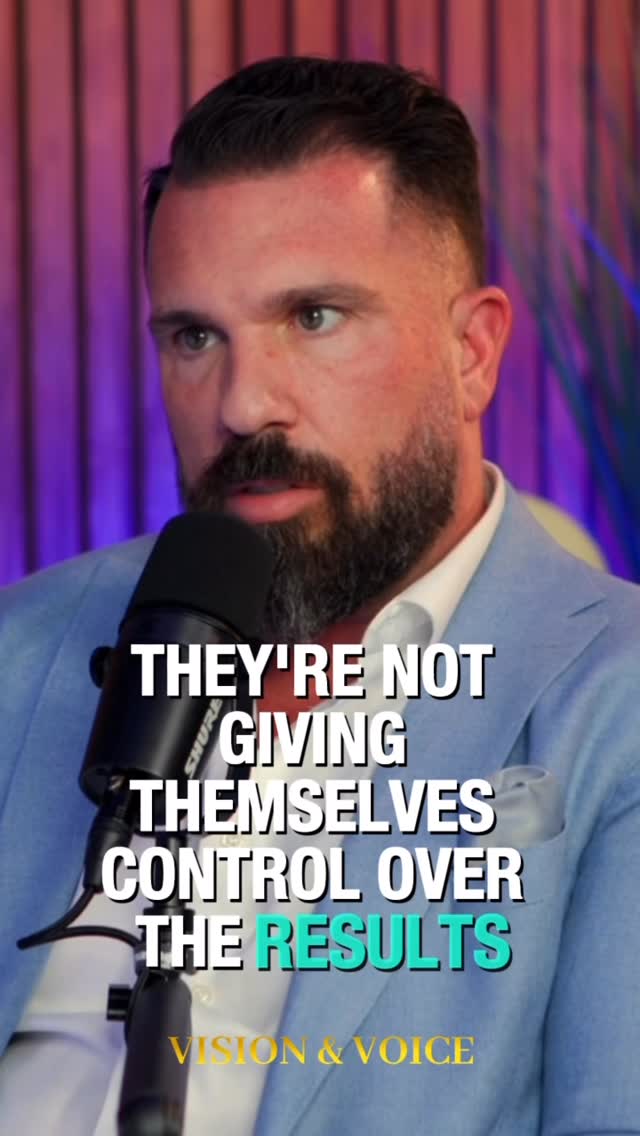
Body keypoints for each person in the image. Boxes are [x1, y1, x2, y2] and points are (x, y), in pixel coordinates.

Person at [0, 56, 639, 1136]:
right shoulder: (22, 647)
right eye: (195, 336)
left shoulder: (613, 705)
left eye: (315, 316)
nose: (243, 404)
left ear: (473, 350)